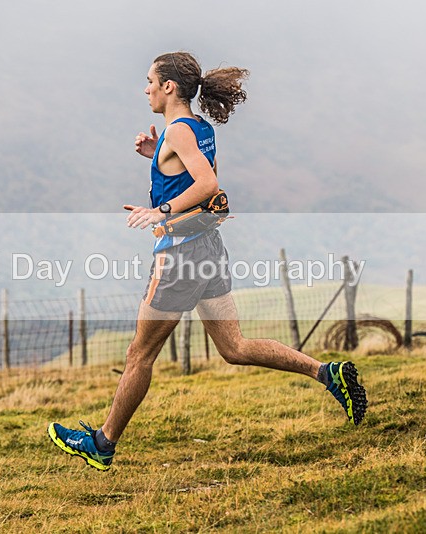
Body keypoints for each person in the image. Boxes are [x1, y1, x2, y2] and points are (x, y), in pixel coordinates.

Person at [48, 52, 368, 471]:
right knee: (234, 348)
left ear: (169, 87)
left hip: (179, 255)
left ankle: (102, 445)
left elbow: (209, 183)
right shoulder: (197, 129)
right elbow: (200, 176)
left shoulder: (179, 131)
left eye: (149, 81)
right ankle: (329, 374)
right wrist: (156, 154)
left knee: (138, 355)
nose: (144, 89)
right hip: (208, 248)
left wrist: (160, 212)